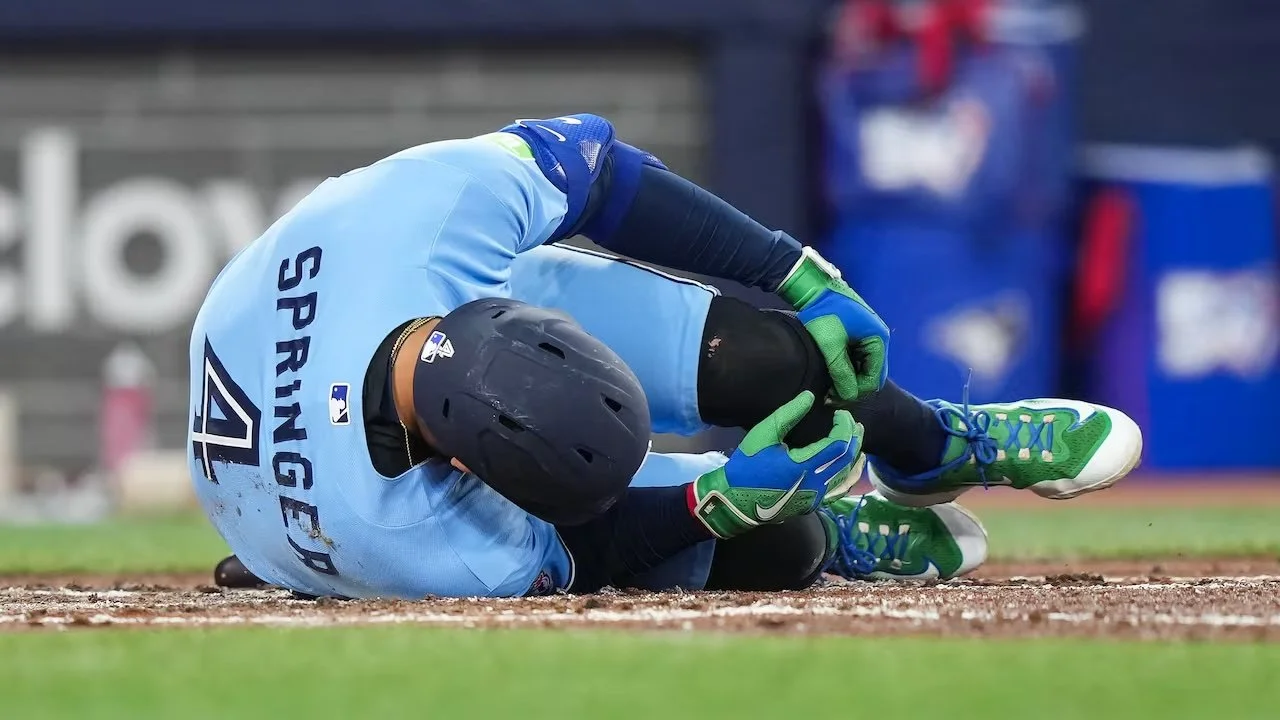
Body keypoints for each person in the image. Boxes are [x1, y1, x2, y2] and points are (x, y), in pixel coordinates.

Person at [192, 114, 1142, 599]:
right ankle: (843, 535)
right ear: (462, 469)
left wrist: (799, 275)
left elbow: (604, 172)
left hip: (345, 299)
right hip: (297, 501)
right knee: (780, 544)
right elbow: (585, 545)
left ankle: (930, 445)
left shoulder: (430, 220)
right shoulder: (410, 538)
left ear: (522, 314)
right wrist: (716, 499)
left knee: (777, 355)